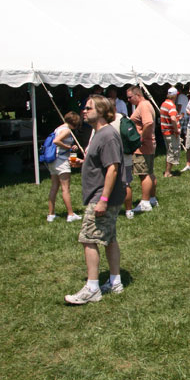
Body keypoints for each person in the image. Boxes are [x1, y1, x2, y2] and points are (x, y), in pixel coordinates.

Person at [64, 95, 125, 305]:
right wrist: (84, 163)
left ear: (101, 110)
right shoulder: (97, 133)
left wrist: (103, 200)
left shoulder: (107, 135)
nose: (84, 110)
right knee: (109, 238)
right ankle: (115, 281)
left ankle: (92, 288)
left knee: (88, 239)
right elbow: (103, 164)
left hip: (102, 197)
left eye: (89, 107)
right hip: (102, 195)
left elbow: (113, 168)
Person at [46, 111, 82, 223]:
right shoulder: (66, 130)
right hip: (61, 161)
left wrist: (70, 148)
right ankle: (70, 214)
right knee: (65, 188)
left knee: (54, 187)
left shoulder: (58, 128)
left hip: (53, 161)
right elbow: (56, 141)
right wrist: (67, 147)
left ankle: (51, 214)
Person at [127, 86, 158, 213]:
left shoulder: (143, 106)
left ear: (137, 95)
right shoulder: (146, 104)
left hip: (143, 145)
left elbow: (148, 123)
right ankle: (152, 198)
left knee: (143, 173)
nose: (128, 100)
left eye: (130, 97)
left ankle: (145, 202)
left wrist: (140, 138)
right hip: (149, 143)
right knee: (149, 172)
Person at [160, 87, 182, 178]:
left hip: (165, 131)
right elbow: (172, 118)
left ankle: (168, 171)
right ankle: (168, 172)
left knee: (169, 150)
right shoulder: (171, 106)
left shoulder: (164, 104)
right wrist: (176, 130)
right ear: (174, 96)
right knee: (172, 151)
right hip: (170, 132)